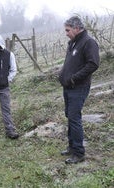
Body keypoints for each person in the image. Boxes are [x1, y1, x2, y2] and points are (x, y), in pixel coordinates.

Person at [59, 16, 100, 164]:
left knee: (74, 118)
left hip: (79, 87)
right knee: (70, 116)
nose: (66, 33)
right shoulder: (73, 43)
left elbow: (93, 64)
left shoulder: (88, 43)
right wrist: (62, 74)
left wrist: (74, 78)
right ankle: (71, 146)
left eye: (68, 30)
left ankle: (79, 153)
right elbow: (70, 63)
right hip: (68, 87)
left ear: (77, 28)